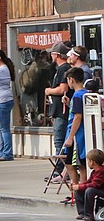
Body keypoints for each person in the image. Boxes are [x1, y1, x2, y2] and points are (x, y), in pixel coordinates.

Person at [44, 42, 72, 179]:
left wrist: (49, 91)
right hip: (59, 110)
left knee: (59, 142)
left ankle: (59, 170)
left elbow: (63, 89)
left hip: (62, 111)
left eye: (52, 53)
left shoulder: (63, 68)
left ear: (57, 55)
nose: (51, 55)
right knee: (59, 141)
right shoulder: (61, 68)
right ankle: (60, 170)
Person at [59, 66, 89, 190]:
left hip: (77, 135)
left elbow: (78, 117)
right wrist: (68, 103)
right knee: (74, 163)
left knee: (75, 164)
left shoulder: (77, 96)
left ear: (71, 80)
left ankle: (79, 189)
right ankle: (78, 188)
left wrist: (70, 137)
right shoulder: (84, 94)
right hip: (80, 134)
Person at [73, 148, 104, 221]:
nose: (87, 163)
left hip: (101, 190)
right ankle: (82, 212)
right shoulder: (94, 171)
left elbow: (95, 185)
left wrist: (80, 187)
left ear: (92, 162)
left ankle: (89, 214)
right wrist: (78, 186)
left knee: (89, 191)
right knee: (79, 190)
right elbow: (89, 181)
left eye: (88, 161)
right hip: (98, 189)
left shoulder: (101, 171)